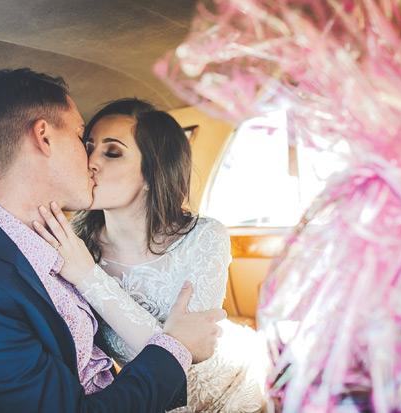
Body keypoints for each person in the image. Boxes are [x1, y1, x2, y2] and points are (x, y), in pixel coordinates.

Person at [0, 69, 227, 413]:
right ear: (45, 138)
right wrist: (176, 344)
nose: (90, 161)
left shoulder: (43, 241)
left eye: (110, 152)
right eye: (82, 138)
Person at [33, 98, 268, 412]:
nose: (90, 161)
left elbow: (187, 351)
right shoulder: (72, 241)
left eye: (112, 152)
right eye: (88, 147)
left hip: (230, 386)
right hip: (146, 399)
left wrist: (89, 278)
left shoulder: (206, 236)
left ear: (151, 171)